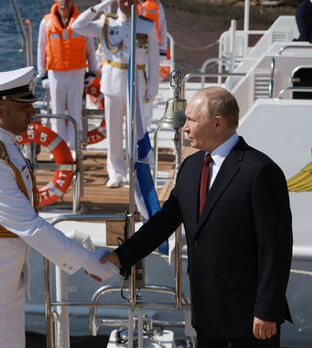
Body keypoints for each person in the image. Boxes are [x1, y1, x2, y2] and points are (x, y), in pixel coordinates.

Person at [0, 66, 118, 348]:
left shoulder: (1, 141)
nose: (32, 113)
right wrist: (88, 261)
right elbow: (30, 226)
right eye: (24, 108)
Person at [101, 87, 293, 347]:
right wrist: (120, 256)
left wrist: (267, 310)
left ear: (217, 123)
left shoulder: (260, 171)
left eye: (192, 119)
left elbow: (276, 249)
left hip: (250, 320)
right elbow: (163, 222)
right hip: (206, 316)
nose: (185, 127)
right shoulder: (191, 168)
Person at [73, 0, 160, 188]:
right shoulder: (106, 22)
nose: (127, 2)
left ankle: (136, 169)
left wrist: (152, 88)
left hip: (137, 81)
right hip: (112, 81)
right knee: (113, 130)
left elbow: (154, 59)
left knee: (135, 129)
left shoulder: (147, 25)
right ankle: (116, 172)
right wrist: (103, 4)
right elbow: (77, 26)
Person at [37, 0, 99, 156]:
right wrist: (43, 74)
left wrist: (92, 71)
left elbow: (90, 48)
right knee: (56, 111)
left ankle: (73, 148)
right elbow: (41, 49)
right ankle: (59, 148)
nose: (63, 3)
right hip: (55, 73)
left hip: (76, 72)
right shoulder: (46, 22)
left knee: (75, 111)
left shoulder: (82, 22)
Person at [138, 0, 167, 128]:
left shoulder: (156, 5)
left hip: (153, 50)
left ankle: (146, 122)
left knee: (149, 87)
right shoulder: (127, 3)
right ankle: (133, 119)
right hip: (134, 52)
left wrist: (163, 50)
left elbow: (162, 28)